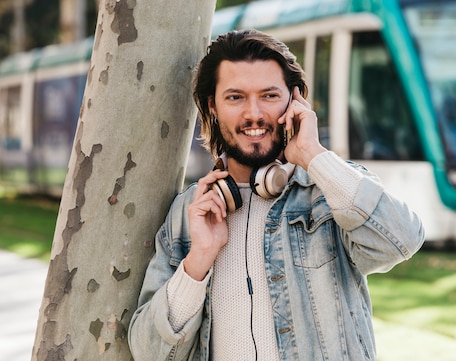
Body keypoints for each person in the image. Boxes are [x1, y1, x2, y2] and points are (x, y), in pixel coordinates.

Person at [128, 29, 425, 361]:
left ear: (294, 101)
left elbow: (401, 240)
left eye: (269, 95)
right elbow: (149, 353)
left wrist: (313, 156)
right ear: (213, 106)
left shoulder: (330, 191)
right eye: (235, 97)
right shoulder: (188, 214)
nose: (254, 113)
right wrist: (198, 260)